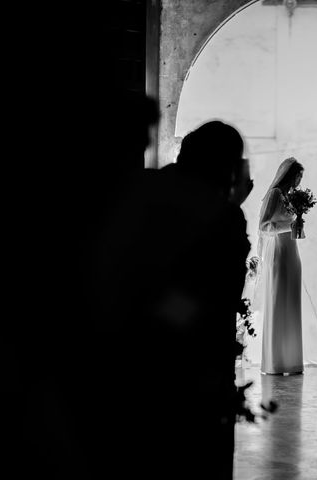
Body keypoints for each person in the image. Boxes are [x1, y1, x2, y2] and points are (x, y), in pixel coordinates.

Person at [106, 120, 250, 480]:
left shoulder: (141, 187)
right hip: (187, 369)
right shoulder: (222, 216)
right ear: (227, 166)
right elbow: (215, 296)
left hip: (117, 353)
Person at [255, 157, 317, 374]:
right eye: (298, 176)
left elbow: (291, 229)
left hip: (291, 252)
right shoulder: (274, 195)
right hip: (278, 252)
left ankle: (290, 360)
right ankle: (275, 362)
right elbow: (264, 226)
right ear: (290, 175)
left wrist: (296, 224)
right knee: (278, 302)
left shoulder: (289, 197)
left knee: (291, 303)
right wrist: (288, 224)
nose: (299, 181)